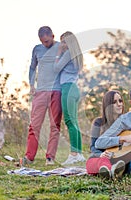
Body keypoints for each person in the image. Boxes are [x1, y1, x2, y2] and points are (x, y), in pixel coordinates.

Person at [23, 26, 62, 166]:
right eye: (43, 41)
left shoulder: (60, 47)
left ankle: (50, 157)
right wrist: (31, 84)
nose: (46, 44)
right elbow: (32, 67)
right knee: (34, 125)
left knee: (54, 125)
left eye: (47, 40)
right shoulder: (37, 49)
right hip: (40, 91)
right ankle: (29, 156)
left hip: (56, 91)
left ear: (53, 35)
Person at [53, 31, 86, 165]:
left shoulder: (67, 54)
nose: (61, 44)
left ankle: (73, 154)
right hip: (74, 88)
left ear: (69, 42)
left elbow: (56, 68)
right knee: (74, 122)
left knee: (69, 121)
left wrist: (58, 53)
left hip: (68, 88)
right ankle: (79, 153)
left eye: (63, 42)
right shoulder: (76, 55)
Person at [86, 90, 126, 179]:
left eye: (120, 101)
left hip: (117, 158)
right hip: (101, 158)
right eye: (114, 102)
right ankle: (109, 172)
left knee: (121, 162)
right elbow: (93, 147)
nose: (119, 104)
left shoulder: (126, 124)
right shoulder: (98, 122)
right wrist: (101, 155)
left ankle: (113, 170)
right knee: (93, 162)